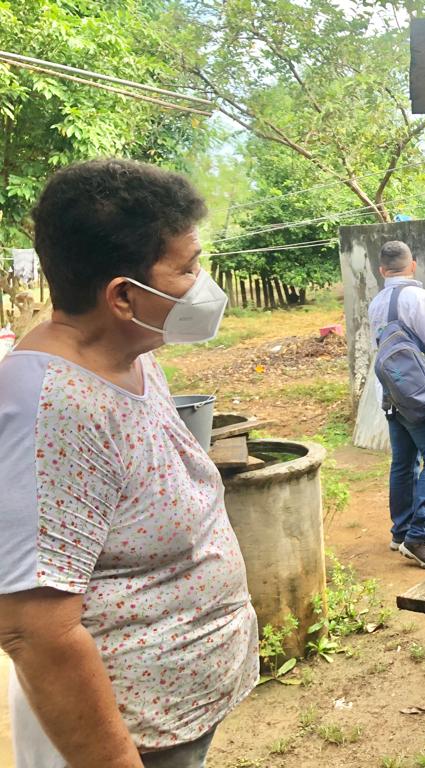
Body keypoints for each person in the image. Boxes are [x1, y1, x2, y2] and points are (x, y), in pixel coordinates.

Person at [0, 159, 258, 767]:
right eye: (187, 268)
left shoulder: (133, 353)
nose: (202, 284)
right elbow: (34, 630)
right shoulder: (49, 409)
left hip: (173, 715)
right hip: (126, 739)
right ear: (122, 295)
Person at [368, 241, 425, 569]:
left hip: (391, 397)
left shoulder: (376, 303)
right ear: (413, 265)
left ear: (382, 270)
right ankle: (420, 538)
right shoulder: (418, 298)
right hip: (421, 401)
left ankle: (401, 532)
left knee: (402, 463)